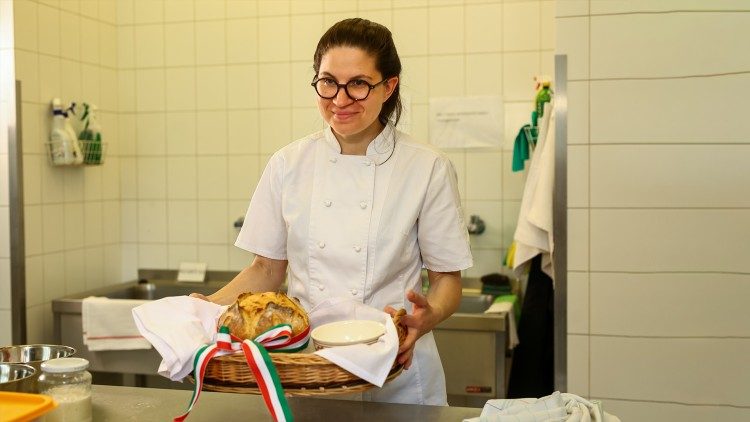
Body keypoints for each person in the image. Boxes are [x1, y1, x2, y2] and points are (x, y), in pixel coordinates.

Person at [192, 18, 472, 406]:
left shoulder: (426, 167)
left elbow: (447, 281)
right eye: (328, 82)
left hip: (397, 371)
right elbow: (266, 271)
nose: (340, 100)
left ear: (388, 87)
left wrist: (428, 317)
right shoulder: (287, 164)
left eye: (358, 84)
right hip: (310, 368)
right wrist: (202, 308)